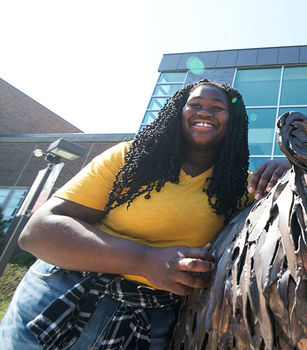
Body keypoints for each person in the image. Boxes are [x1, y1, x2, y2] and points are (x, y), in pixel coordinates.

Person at [0, 79, 290, 349]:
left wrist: (288, 170)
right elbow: (37, 232)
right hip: (59, 300)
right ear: (178, 112)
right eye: (196, 104)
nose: (205, 112)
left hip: (151, 321)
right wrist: (146, 260)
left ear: (234, 121)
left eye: (217, 108)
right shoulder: (129, 159)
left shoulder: (241, 188)